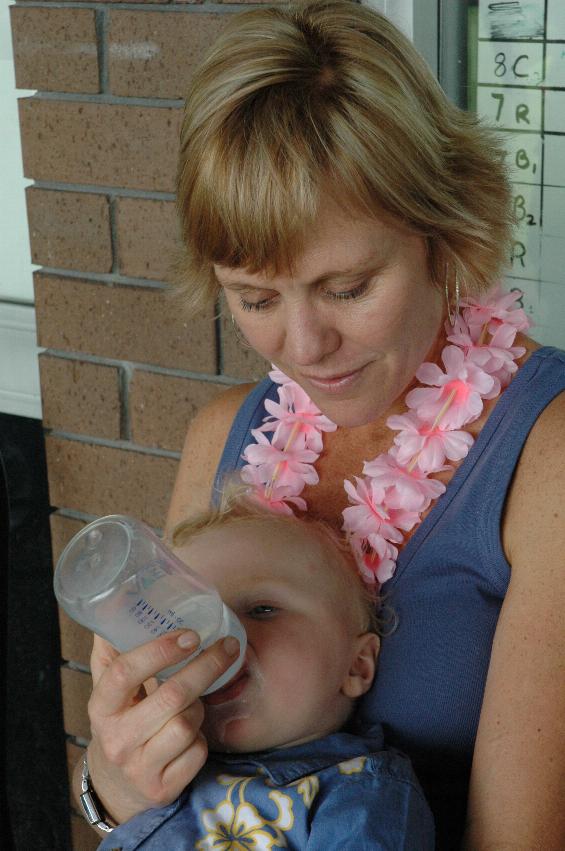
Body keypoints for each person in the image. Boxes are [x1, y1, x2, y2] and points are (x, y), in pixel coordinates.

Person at [74, 2, 565, 848]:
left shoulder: (545, 452)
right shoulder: (220, 438)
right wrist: (113, 787)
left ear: (441, 237)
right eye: (255, 297)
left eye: (346, 287)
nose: (304, 347)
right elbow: (147, 800)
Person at [94, 501, 434, 850]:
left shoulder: (361, 796)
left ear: (356, 665)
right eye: (191, 620)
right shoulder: (162, 768)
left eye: (262, 610)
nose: (218, 639)